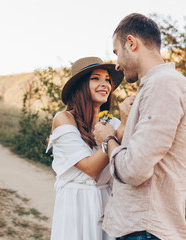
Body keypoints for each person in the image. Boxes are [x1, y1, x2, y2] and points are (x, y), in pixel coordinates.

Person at [93, 13, 186, 240]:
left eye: (116, 52)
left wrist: (108, 138)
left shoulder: (164, 84)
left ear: (131, 43)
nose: (117, 65)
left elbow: (134, 170)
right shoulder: (158, 86)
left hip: (145, 231)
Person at [46, 56, 127, 240]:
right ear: (80, 85)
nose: (104, 84)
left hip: (105, 202)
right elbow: (91, 169)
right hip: (75, 204)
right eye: (95, 78)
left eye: (107, 80)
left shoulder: (113, 122)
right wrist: (115, 134)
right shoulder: (64, 119)